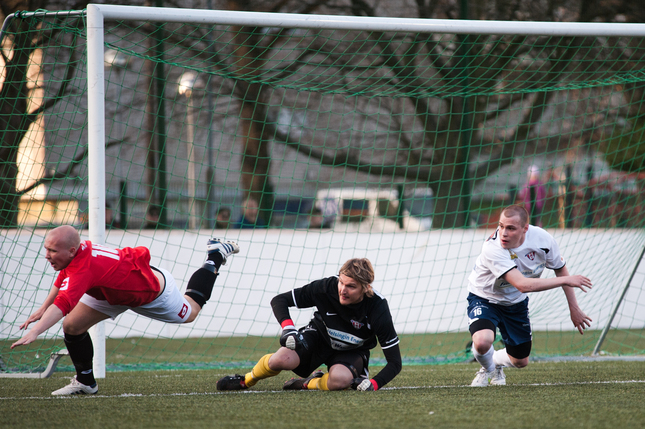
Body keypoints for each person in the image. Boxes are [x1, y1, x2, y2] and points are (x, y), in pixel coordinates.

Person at [11, 225, 239, 396]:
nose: (46, 255)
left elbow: (63, 303)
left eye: (52, 250)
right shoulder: (77, 253)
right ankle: (85, 383)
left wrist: (35, 332)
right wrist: (42, 309)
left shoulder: (83, 269)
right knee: (72, 326)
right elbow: (63, 280)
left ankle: (215, 257)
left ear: (71, 250)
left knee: (191, 312)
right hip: (111, 290)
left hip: (149, 291)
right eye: (46, 249)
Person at [216, 258, 401, 392]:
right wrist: (288, 328)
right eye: (341, 282)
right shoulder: (326, 288)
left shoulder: (378, 308)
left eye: (351, 286)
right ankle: (246, 380)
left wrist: (374, 384)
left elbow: (395, 362)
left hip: (352, 351)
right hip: (319, 336)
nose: (342, 290)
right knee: (280, 359)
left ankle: (309, 383)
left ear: (366, 287)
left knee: (340, 380)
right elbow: (279, 300)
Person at [467, 204, 592, 387]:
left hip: (515, 303)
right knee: (482, 341)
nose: (503, 233)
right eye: (501, 226)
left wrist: (574, 308)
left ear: (525, 228)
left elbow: (560, 269)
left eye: (510, 228)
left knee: (520, 361)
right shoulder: (492, 249)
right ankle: (487, 368)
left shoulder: (543, 240)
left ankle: (495, 360)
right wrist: (566, 280)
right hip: (485, 298)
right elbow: (523, 285)